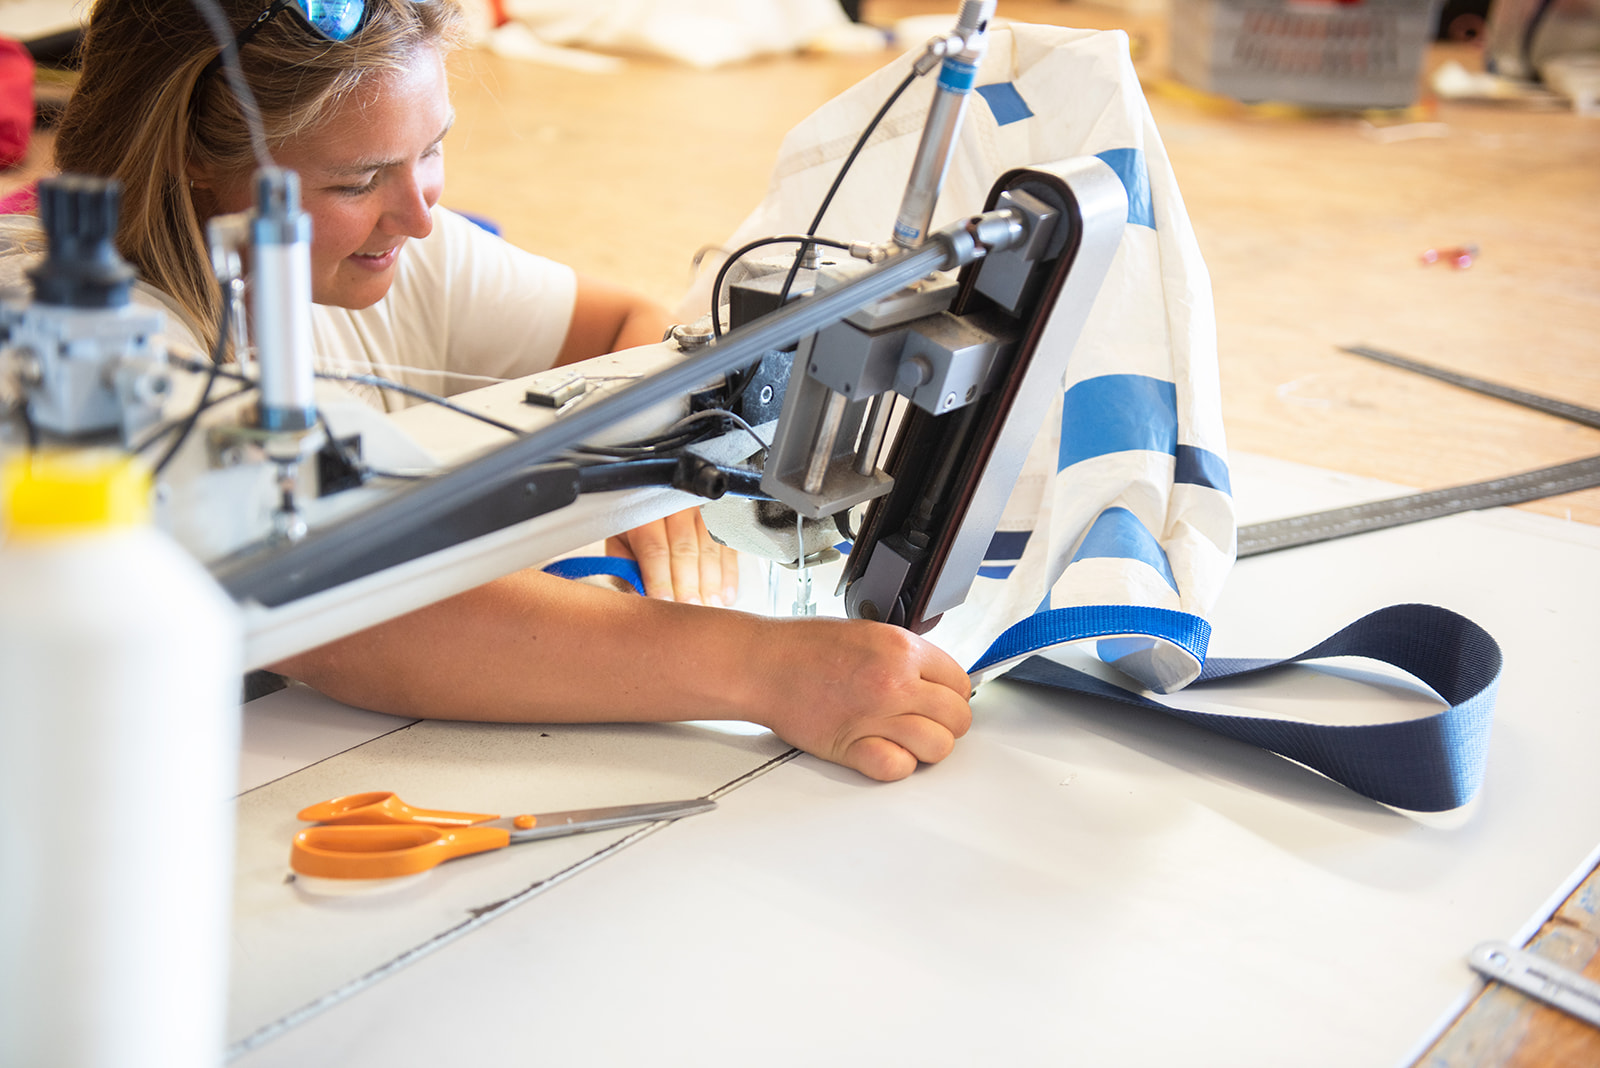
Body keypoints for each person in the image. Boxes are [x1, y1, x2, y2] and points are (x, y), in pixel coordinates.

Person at [24, 0, 972, 781]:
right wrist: (764, 669)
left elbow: (622, 331)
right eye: (359, 178)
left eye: (432, 148)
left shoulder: (386, 247)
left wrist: (655, 474)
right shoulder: (80, 351)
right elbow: (334, 615)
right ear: (197, 156)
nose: (422, 212)